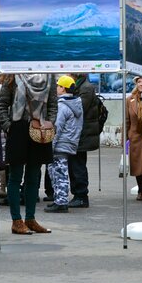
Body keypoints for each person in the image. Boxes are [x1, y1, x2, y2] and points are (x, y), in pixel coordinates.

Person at [0, 73, 57, 235]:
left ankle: (30, 219)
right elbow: (2, 105)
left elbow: (52, 105)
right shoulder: (12, 76)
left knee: (33, 176)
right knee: (15, 176)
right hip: (17, 129)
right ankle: (16, 220)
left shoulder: (49, 77)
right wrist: (8, 126)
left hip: (40, 129)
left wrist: (50, 123)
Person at [44, 75, 83, 214]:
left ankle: (61, 202)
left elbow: (57, 127)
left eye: (58, 86)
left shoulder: (62, 105)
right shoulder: (76, 103)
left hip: (60, 143)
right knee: (59, 171)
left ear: (63, 88)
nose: (56, 89)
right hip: (69, 142)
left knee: (59, 172)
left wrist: (50, 145)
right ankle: (59, 199)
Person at [67, 73, 98, 209]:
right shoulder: (81, 86)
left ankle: (81, 196)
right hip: (78, 132)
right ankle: (78, 194)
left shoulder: (86, 88)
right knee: (74, 164)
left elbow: (79, 109)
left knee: (77, 165)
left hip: (81, 133)